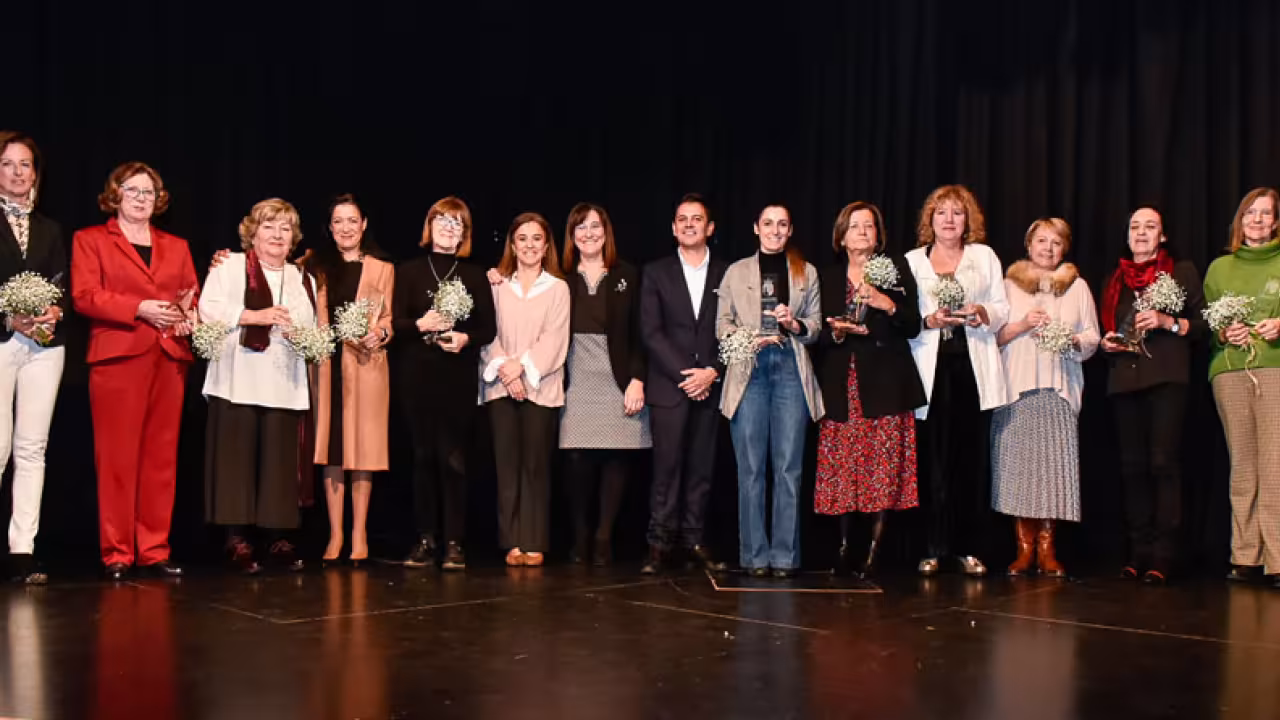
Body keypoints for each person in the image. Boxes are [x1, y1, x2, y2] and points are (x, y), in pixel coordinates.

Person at [72, 161, 198, 581]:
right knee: (117, 459)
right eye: (134, 190)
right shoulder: (90, 240)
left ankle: (154, 549)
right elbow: (85, 296)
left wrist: (187, 316)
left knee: (160, 460)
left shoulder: (176, 245)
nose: (142, 198)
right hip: (118, 357)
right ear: (116, 194)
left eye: (149, 192)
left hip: (169, 357)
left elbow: (190, 295)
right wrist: (138, 308)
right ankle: (117, 552)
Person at [200, 198, 318, 574]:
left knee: (279, 463)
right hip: (236, 378)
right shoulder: (229, 266)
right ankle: (236, 540)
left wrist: (296, 331)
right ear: (253, 231)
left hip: (283, 381)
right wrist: (256, 315)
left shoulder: (303, 278)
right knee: (236, 460)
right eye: (269, 226)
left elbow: (310, 328)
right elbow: (208, 308)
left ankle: (277, 538)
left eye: (285, 228)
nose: (278, 234)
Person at [815, 202, 925, 577]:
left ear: (878, 235)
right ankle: (845, 546)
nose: (862, 232)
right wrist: (836, 330)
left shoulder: (894, 269)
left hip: (885, 383)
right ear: (841, 236)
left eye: (869, 226)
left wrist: (886, 304)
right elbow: (818, 333)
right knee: (842, 468)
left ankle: (874, 552)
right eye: (855, 226)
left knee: (881, 469)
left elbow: (912, 324)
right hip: (841, 383)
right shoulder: (826, 277)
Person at [905, 184, 1010, 576]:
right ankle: (932, 547)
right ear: (929, 220)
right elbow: (902, 318)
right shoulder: (913, 261)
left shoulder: (983, 257)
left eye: (957, 213)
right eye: (942, 212)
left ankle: (968, 547)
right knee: (933, 463)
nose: (949, 220)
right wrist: (928, 321)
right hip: (930, 371)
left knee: (970, 462)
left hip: (971, 367)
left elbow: (1002, 306)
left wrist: (982, 311)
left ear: (968, 220)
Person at [1099, 206, 1205, 583]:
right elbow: (1107, 329)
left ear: (1162, 236)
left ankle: (1164, 556)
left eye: (1150, 227)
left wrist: (1168, 321)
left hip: (1166, 379)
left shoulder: (1181, 271)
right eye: (1134, 227)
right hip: (1124, 382)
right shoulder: (1115, 279)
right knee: (1132, 470)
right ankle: (1137, 552)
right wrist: (1106, 343)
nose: (1141, 233)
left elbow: (1202, 325)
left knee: (1163, 464)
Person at [717, 204, 824, 577]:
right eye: (768, 224)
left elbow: (816, 327)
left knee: (788, 467)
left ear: (790, 229)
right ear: (755, 228)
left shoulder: (805, 272)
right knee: (750, 469)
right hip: (750, 369)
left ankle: (784, 557)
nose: (775, 230)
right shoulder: (736, 272)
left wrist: (793, 324)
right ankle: (754, 556)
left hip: (790, 368)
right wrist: (747, 339)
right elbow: (722, 326)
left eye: (782, 224)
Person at [992, 218, 1100, 578]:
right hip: (1017, 389)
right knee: (1020, 472)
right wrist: (1023, 324)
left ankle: (1047, 549)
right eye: (1041, 241)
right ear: (1029, 245)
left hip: (1058, 389)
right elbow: (992, 338)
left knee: (1054, 472)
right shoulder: (1008, 286)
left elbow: (1092, 338)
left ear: (1064, 248)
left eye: (1056, 242)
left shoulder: (1078, 287)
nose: (1048, 248)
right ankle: (1023, 549)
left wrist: (1069, 340)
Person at [394, 196, 495, 571]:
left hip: (456, 378)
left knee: (454, 460)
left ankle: (454, 541)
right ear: (429, 226)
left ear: (464, 234)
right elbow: (395, 323)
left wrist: (466, 338)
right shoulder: (408, 271)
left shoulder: (475, 274)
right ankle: (425, 538)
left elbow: (489, 328)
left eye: (457, 223)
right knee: (421, 458)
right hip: (417, 376)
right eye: (442, 220)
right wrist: (420, 324)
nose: (449, 228)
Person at [639, 194, 729, 575]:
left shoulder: (730, 273)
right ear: (674, 229)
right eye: (682, 219)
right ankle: (659, 545)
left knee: (701, 469)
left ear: (709, 228)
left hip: (711, 386)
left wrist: (711, 371)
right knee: (666, 469)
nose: (690, 224)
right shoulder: (655, 272)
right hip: (669, 388)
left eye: (697, 219)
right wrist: (687, 375)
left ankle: (693, 540)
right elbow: (651, 332)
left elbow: (736, 331)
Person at [557, 203, 649, 566]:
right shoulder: (559, 276)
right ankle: (580, 535)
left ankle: (603, 537)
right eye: (581, 227)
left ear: (606, 231)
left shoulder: (628, 274)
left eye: (595, 226)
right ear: (572, 235)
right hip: (574, 370)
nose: (589, 233)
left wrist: (638, 379)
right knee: (576, 456)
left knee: (616, 456)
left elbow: (642, 334)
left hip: (618, 374)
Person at [480, 213, 570, 568]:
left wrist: (524, 368)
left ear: (546, 245)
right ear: (513, 245)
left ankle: (534, 541)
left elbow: (555, 338)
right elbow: (489, 334)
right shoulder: (497, 285)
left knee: (535, 466)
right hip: (501, 387)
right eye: (523, 238)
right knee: (506, 467)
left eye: (537, 238)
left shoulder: (558, 289)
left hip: (541, 387)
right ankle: (511, 541)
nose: (530, 245)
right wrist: (507, 371)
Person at [309, 194, 393, 568]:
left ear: (364, 224)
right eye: (338, 221)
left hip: (367, 363)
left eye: (352, 220)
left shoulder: (382, 268)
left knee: (364, 448)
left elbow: (389, 317)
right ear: (330, 228)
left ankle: (359, 531)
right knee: (332, 447)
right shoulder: (313, 266)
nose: (345, 227)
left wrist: (380, 333)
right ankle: (335, 532)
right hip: (328, 365)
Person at [0, 131, 67, 585]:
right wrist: (9, 318)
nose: (18, 172)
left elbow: (63, 281)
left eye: (25, 164)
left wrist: (53, 310)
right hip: (3, 340)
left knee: (32, 449)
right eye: (8, 163)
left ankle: (22, 548)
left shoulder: (50, 228)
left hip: (45, 347)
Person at [1205, 187, 1280, 587]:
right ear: (1240, 220)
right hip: (1230, 371)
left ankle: (1278, 557)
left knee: (1275, 465)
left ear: (1275, 222)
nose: (1257, 220)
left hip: (1274, 367)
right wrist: (1224, 332)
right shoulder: (1219, 268)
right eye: (1250, 213)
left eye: (1265, 214)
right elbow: (1212, 325)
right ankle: (1245, 555)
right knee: (1243, 466)